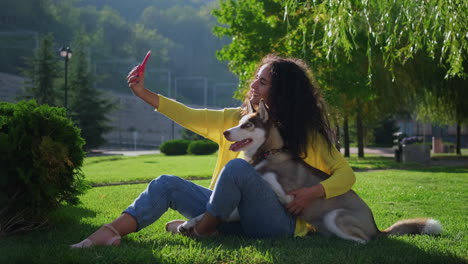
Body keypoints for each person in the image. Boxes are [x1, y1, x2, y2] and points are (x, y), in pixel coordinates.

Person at [70, 54, 355, 247]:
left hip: (275, 225)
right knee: (166, 184)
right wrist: (143, 93)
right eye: (256, 78)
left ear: (282, 92)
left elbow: (345, 175)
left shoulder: (303, 133)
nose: (253, 84)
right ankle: (110, 233)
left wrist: (311, 192)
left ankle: (202, 227)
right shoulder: (236, 120)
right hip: (227, 216)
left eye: (263, 81)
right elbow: (188, 114)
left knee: (238, 168)